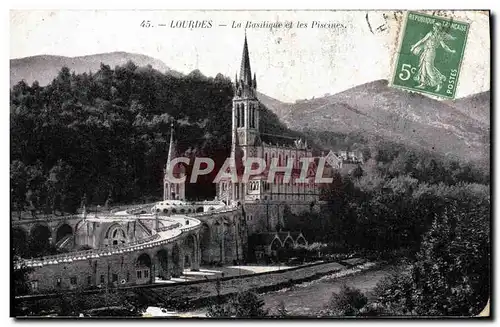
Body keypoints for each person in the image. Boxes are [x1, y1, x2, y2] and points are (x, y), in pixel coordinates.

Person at [410, 22, 456, 92]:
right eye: (434, 27)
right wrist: (414, 46)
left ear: (439, 29)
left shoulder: (439, 36)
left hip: (431, 53)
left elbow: (444, 46)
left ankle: (439, 83)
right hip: (426, 51)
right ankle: (423, 84)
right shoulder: (430, 34)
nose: (435, 28)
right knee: (423, 67)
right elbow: (422, 40)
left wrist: (451, 51)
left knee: (429, 69)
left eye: (437, 28)